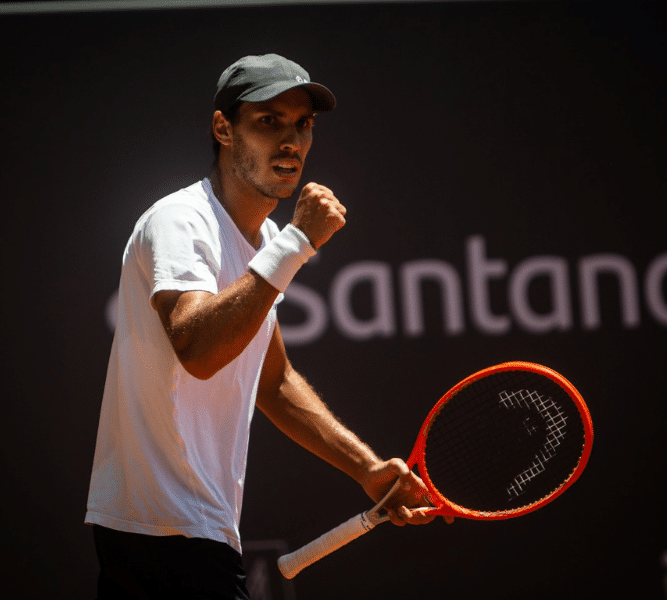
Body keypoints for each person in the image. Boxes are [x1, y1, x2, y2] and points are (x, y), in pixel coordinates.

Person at [85, 54, 439, 599]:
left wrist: (368, 470)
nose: (291, 140)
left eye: (303, 124)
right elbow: (199, 350)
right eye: (269, 121)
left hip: (191, 535)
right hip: (162, 536)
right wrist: (297, 245)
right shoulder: (181, 220)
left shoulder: (264, 239)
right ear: (224, 129)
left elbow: (273, 380)